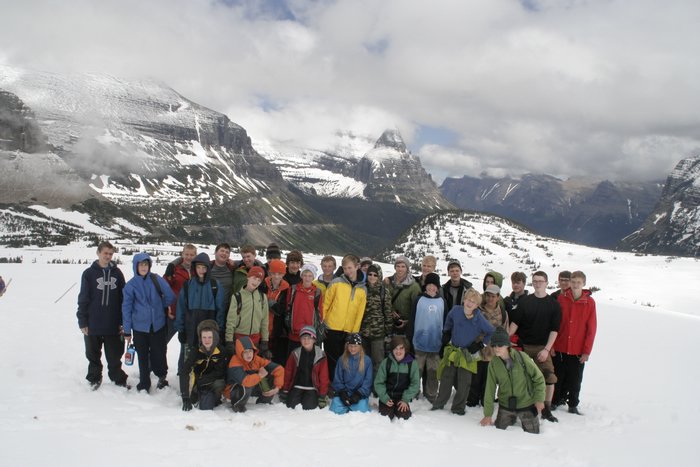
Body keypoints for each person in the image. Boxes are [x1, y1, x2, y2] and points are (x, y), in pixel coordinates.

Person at [508, 271, 562, 422]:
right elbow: (515, 323)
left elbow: (554, 330)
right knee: (519, 375)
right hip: (524, 345)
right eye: (535, 281)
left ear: (546, 283)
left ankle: (546, 409)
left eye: (541, 281)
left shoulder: (553, 304)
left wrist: (546, 349)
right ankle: (518, 405)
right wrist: (506, 339)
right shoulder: (526, 302)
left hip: (541, 347)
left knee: (549, 377)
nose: (538, 283)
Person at [433, 288, 494, 415]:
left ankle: (458, 408)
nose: (470, 303)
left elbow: (491, 331)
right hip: (453, 351)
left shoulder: (479, 318)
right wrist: (447, 332)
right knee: (446, 379)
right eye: (468, 300)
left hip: (467, 354)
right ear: (464, 300)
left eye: (473, 302)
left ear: (477, 305)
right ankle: (439, 403)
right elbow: (449, 321)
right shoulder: (456, 311)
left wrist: (480, 344)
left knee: (464, 382)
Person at [77, 241, 129, 390]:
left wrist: (122, 321)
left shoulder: (117, 273)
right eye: (105, 253)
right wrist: (82, 321)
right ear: (98, 253)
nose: (108, 256)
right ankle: (94, 378)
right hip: (93, 322)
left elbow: (123, 299)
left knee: (114, 356)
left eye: (111, 254)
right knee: (92, 354)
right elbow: (83, 298)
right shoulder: (89, 273)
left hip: (112, 323)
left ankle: (118, 379)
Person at [122, 252, 176, 392]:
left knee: (159, 353)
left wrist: (160, 306)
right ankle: (144, 383)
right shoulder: (130, 286)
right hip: (139, 328)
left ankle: (161, 376)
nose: (144, 267)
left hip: (157, 325)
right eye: (141, 264)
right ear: (136, 266)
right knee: (142, 355)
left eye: (146, 264)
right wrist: (127, 330)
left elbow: (170, 296)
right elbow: (126, 309)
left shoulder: (156, 280)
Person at [479, 327, 546, 434]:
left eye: (500, 345)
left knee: (533, 435)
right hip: (506, 405)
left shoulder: (522, 357)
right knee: (500, 433)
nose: (496, 348)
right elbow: (489, 389)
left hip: (526, 404)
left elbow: (539, 378)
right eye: (494, 345)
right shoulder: (493, 364)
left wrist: (539, 399)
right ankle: (511, 418)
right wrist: (488, 415)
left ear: (507, 345)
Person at [553, 270, 597, 414]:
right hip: (560, 345)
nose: (575, 285)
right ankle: (555, 400)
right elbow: (555, 323)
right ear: (570, 283)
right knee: (557, 375)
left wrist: (586, 351)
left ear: (584, 283)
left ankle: (573, 404)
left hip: (577, 348)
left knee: (575, 378)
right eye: (573, 282)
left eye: (579, 282)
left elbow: (591, 328)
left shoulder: (589, 302)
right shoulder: (562, 298)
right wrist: (552, 345)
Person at [175, 253, 226, 372]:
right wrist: (181, 329)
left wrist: (220, 329)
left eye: (204, 267)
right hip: (190, 327)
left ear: (208, 268)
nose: (201, 270)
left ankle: (202, 380)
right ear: (194, 268)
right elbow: (181, 308)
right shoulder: (188, 285)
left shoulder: (215, 285)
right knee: (187, 355)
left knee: (205, 355)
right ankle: (184, 378)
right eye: (198, 267)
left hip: (209, 328)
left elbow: (220, 309)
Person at [322, 254, 367, 380]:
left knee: (345, 359)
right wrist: (322, 322)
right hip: (332, 327)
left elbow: (360, 312)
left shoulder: (362, 289)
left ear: (357, 267)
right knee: (331, 358)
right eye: (345, 268)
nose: (347, 271)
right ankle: (331, 383)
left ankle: (342, 382)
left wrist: (355, 332)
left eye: (350, 268)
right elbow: (325, 304)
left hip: (349, 331)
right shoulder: (336, 283)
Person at [467, 283, 509, 407]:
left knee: (489, 379)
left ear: (498, 297)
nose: (490, 299)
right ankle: (472, 399)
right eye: (488, 296)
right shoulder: (477, 310)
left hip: (493, 352)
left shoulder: (503, 312)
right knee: (475, 376)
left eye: (493, 296)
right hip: (477, 349)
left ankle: (486, 400)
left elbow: (505, 332)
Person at [407, 272, 446, 404]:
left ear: (438, 287)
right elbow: (412, 320)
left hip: (436, 344)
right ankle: (414, 392)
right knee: (416, 371)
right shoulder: (419, 300)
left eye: (434, 285)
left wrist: (444, 342)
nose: (431, 288)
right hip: (419, 343)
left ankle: (431, 394)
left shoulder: (442, 301)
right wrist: (410, 339)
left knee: (433, 372)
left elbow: (446, 322)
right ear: (425, 286)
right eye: (429, 285)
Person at [224, 336, 284, 413]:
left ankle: (264, 402)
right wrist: (259, 375)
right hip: (233, 391)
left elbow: (279, 369)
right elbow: (246, 381)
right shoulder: (235, 362)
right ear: (240, 352)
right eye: (245, 352)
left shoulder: (256, 359)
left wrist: (277, 387)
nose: (249, 354)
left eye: (250, 351)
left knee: (271, 376)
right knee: (247, 383)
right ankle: (238, 406)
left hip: (250, 387)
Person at [180, 319, 227, 411]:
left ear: (215, 337)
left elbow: (220, 371)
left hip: (211, 381)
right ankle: (197, 395)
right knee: (196, 401)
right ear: (200, 338)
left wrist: (204, 380)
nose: (207, 340)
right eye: (204, 337)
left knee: (220, 383)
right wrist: (185, 397)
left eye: (210, 337)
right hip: (197, 383)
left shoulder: (221, 351)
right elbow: (184, 371)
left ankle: (215, 399)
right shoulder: (196, 351)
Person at [163, 244, 196, 372]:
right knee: (161, 343)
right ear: (182, 254)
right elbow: (164, 287)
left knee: (185, 347)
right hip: (174, 314)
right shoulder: (174, 270)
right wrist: (167, 307)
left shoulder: (197, 269)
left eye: (192, 255)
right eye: (186, 254)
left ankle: (182, 373)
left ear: (195, 256)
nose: (189, 257)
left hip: (189, 315)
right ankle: (152, 368)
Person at [283, 326, 330, 410]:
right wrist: (285, 390)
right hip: (297, 386)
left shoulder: (321, 355)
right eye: (303, 338)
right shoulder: (295, 353)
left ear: (314, 340)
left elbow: (324, 376)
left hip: (312, 387)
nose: (306, 341)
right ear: (300, 340)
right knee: (291, 406)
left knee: (308, 407)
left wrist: (322, 394)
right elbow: (288, 372)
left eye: (309, 338)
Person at [225, 266, 269, 354]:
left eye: (259, 280)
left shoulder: (262, 297)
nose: (256, 282)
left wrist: (265, 340)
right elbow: (231, 321)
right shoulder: (237, 297)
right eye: (254, 278)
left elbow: (264, 320)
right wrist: (229, 340)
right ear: (248, 277)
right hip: (239, 337)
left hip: (255, 338)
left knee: (252, 365)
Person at [359, 264, 392, 382]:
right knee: (363, 361)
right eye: (370, 274)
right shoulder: (362, 289)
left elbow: (388, 313)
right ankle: (364, 383)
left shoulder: (384, 292)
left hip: (378, 334)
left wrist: (388, 332)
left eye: (375, 275)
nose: (372, 277)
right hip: (363, 333)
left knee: (378, 362)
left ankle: (377, 385)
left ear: (379, 276)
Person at [374, 336, 420, 420]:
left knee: (405, 417)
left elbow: (415, 384)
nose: (398, 351)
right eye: (395, 348)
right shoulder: (386, 363)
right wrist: (384, 398)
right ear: (392, 350)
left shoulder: (412, 364)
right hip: (387, 397)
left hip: (402, 398)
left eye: (401, 348)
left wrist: (405, 399)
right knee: (386, 417)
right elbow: (379, 382)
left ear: (405, 349)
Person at [329, 333, 373, 414]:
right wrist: (342, 393)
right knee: (335, 406)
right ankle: (348, 405)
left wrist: (358, 394)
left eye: (355, 346)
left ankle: (350, 406)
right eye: (351, 346)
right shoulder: (342, 359)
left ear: (360, 346)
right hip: (345, 392)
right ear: (347, 346)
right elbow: (337, 379)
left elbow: (368, 382)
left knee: (362, 408)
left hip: (359, 394)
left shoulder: (367, 361)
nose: (353, 349)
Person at [286, 263, 323, 357]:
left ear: (313, 277)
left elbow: (320, 312)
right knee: (292, 359)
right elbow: (288, 307)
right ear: (301, 275)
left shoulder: (317, 292)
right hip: (294, 333)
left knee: (306, 360)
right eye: (305, 275)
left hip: (309, 334)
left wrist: (317, 329)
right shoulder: (293, 289)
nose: (307, 278)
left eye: (310, 276)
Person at [384, 255, 421, 336]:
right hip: (388, 323)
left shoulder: (414, 286)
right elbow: (382, 300)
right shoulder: (388, 282)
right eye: (398, 266)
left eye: (403, 266)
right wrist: (390, 311)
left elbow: (417, 308)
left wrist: (408, 322)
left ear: (407, 268)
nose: (400, 269)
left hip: (405, 325)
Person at [264, 258, 291, 365]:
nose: (276, 276)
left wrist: (269, 302)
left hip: (277, 330)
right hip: (261, 328)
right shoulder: (263, 284)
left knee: (275, 359)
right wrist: (274, 305)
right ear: (270, 273)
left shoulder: (286, 289)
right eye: (274, 273)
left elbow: (282, 310)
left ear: (283, 274)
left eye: (279, 274)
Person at [209, 243, 235, 323]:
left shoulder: (232, 268)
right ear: (215, 252)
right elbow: (189, 261)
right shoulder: (207, 267)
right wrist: (173, 263)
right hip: (210, 310)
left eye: (227, 252)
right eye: (222, 251)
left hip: (227, 310)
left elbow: (249, 260)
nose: (224, 253)